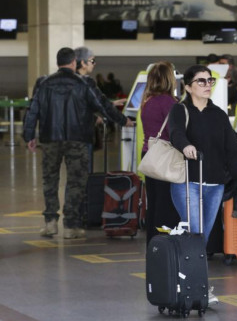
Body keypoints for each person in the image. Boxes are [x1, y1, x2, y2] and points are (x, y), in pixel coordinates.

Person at [22, 47, 134, 239]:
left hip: (50, 139)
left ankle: (50, 223)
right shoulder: (85, 83)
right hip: (78, 140)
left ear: (58, 63)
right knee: (76, 182)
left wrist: (29, 135)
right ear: (74, 62)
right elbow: (103, 105)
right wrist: (124, 120)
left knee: (50, 180)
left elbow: (32, 110)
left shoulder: (43, 83)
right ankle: (71, 226)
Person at [168, 65, 237, 304]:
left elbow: (232, 152)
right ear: (187, 86)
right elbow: (175, 133)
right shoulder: (180, 110)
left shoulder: (218, 114)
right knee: (196, 235)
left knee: (201, 240)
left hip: (215, 185)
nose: (207, 85)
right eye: (201, 81)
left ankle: (187, 283)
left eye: (210, 81)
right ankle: (198, 287)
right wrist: (185, 145)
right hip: (188, 183)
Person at [140, 62, 181, 246]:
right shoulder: (170, 103)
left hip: (149, 155)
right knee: (167, 204)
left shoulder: (146, 101)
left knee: (154, 203)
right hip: (166, 157)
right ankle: (166, 243)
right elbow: (176, 132)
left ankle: (153, 243)